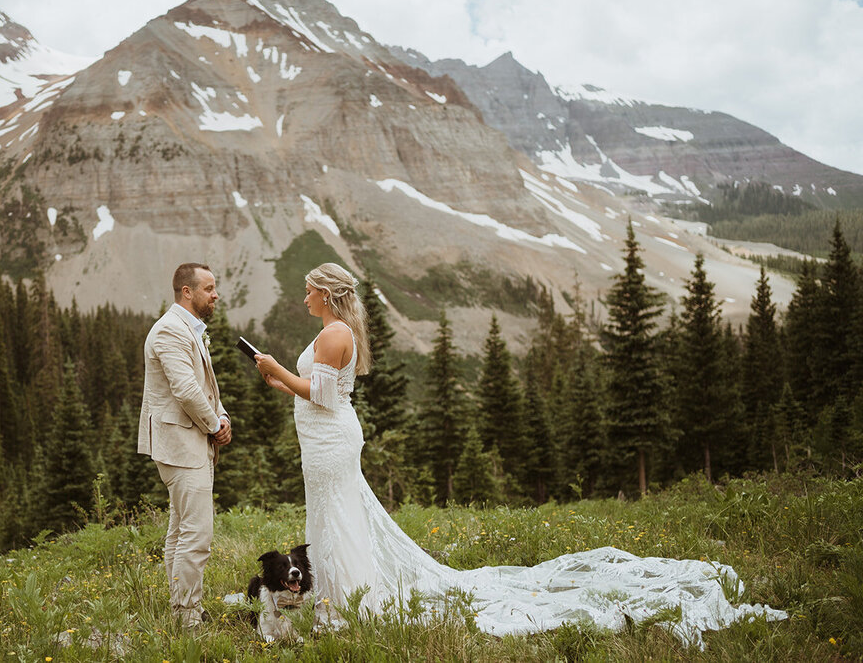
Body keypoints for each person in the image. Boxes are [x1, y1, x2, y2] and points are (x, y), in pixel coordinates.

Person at [253, 262, 784, 646]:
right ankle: (336, 600)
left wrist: (277, 370)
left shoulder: (334, 333)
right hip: (326, 438)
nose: (303, 299)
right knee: (331, 518)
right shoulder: (333, 331)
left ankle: (344, 607)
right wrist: (280, 382)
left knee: (337, 520)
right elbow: (323, 393)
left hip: (329, 443)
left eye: (307, 292)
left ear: (326, 293)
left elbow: (320, 395)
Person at [138, 262, 232, 629]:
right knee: (196, 533)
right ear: (186, 292)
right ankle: (188, 616)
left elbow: (206, 386)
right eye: (209, 288)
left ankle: (183, 608)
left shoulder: (190, 329)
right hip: (179, 443)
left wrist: (222, 418)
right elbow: (186, 390)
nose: (215, 294)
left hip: (192, 440)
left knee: (180, 530)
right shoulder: (168, 332)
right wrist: (213, 426)